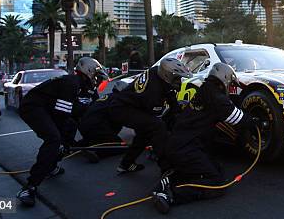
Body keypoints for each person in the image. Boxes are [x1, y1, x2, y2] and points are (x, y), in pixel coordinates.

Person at [151, 62, 261, 214]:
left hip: (180, 145)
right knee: (216, 184)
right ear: (224, 79)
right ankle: (170, 195)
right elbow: (237, 118)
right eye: (229, 84)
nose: (229, 88)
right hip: (186, 148)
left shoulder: (205, 90)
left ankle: (169, 178)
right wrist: (255, 121)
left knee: (217, 169)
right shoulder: (216, 96)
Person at [16, 57, 107, 207]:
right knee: (54, 139)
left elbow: (91, 111)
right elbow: (63, 115)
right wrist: (63, 143)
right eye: (97, 76)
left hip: (51, 109)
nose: (98, 80)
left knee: (67, 132)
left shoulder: (87, 88)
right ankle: (29, 187)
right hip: (33, 107)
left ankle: (51, 166)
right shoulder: (71, 83)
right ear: (88, 73)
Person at [108, 58, 192, 173]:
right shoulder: (153, 92)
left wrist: (178, 109)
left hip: (132, 105)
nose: (179, 81)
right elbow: (157, 117)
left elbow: (170, 95)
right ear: (167, 75)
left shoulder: (157, 72)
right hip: (122, 109)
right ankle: (167, 167)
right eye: (176, 78)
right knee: (157, 127)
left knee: (145, 132)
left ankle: (126, 164)